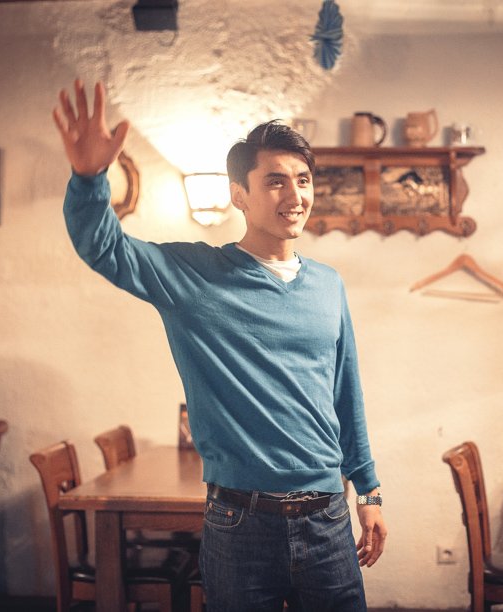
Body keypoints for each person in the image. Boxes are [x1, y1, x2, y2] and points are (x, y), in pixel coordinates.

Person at [53, 79, 386, 611]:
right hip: (239, 523)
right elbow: (104, 247)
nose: (295, 195)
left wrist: (369, 492)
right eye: (275, 181)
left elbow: (347, 396)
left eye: (303, 180)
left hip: (327, 517)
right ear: (239, 195)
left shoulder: (328, 284)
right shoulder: (193, 274)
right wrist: (90, 178)